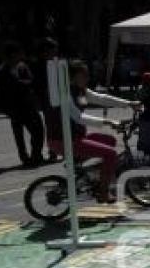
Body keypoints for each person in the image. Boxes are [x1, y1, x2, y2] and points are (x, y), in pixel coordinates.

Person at [48, 60, 139, 203]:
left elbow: (101, 98)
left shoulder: (81, 91)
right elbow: (78, 117)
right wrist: (107, 122)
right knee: (111, 154)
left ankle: (87, 171)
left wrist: (129, 104)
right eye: (83, 75)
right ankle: (103, 192)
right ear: (72, 77)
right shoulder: (65, 93)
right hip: (63, 140)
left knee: (110, 141)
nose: (87, 78)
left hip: (76, 137)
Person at [0, 42, 45, 166]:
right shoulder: (3, 71)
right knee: (19, 135)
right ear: (13, 54)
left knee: (38, 130)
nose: (21, 55)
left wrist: (20, 83)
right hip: (14, 107)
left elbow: (30, 81)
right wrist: (21, 84)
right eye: (19, 53)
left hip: (28, 105)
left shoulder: (22, 66)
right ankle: (25, 158)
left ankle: (36, 155)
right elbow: (8, 88)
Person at [30, 38, 61, 161]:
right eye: (52, 51)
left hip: (58, 98)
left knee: (60, 125)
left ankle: (60, 149)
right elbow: (37, 84)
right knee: (51, 126)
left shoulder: (57, 63)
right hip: (47, 100)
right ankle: (52, 151)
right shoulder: (38, 66)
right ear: (44, 52)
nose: (55, 53)